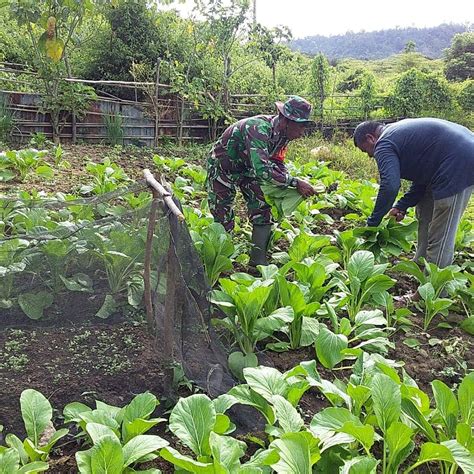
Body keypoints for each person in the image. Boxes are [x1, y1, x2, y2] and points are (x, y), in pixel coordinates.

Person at [206, 95, 317, 266]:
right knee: (222, 214)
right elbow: (263, 170)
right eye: (301, 127)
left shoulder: (283, 135)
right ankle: (219, 265)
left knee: (262, 209)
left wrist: (290, 183)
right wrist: (295, 183)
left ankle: (257, 263)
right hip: (223, 167)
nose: (302, 133)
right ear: (286, 120)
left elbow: (277, 161)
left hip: (248, 169)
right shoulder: (258, 128)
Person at [353, 118, 474, 268]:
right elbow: (423, 175)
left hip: (460, 163)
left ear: (370, 138)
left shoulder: (384, 143)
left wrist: (372, 224)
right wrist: (402, 205)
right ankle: (420, 264)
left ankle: (435, 289)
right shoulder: (397, 134)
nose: (370, 156)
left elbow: (390, 186)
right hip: (452, 158)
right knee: (424, 211)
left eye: (366, 151)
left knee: (442, 231)